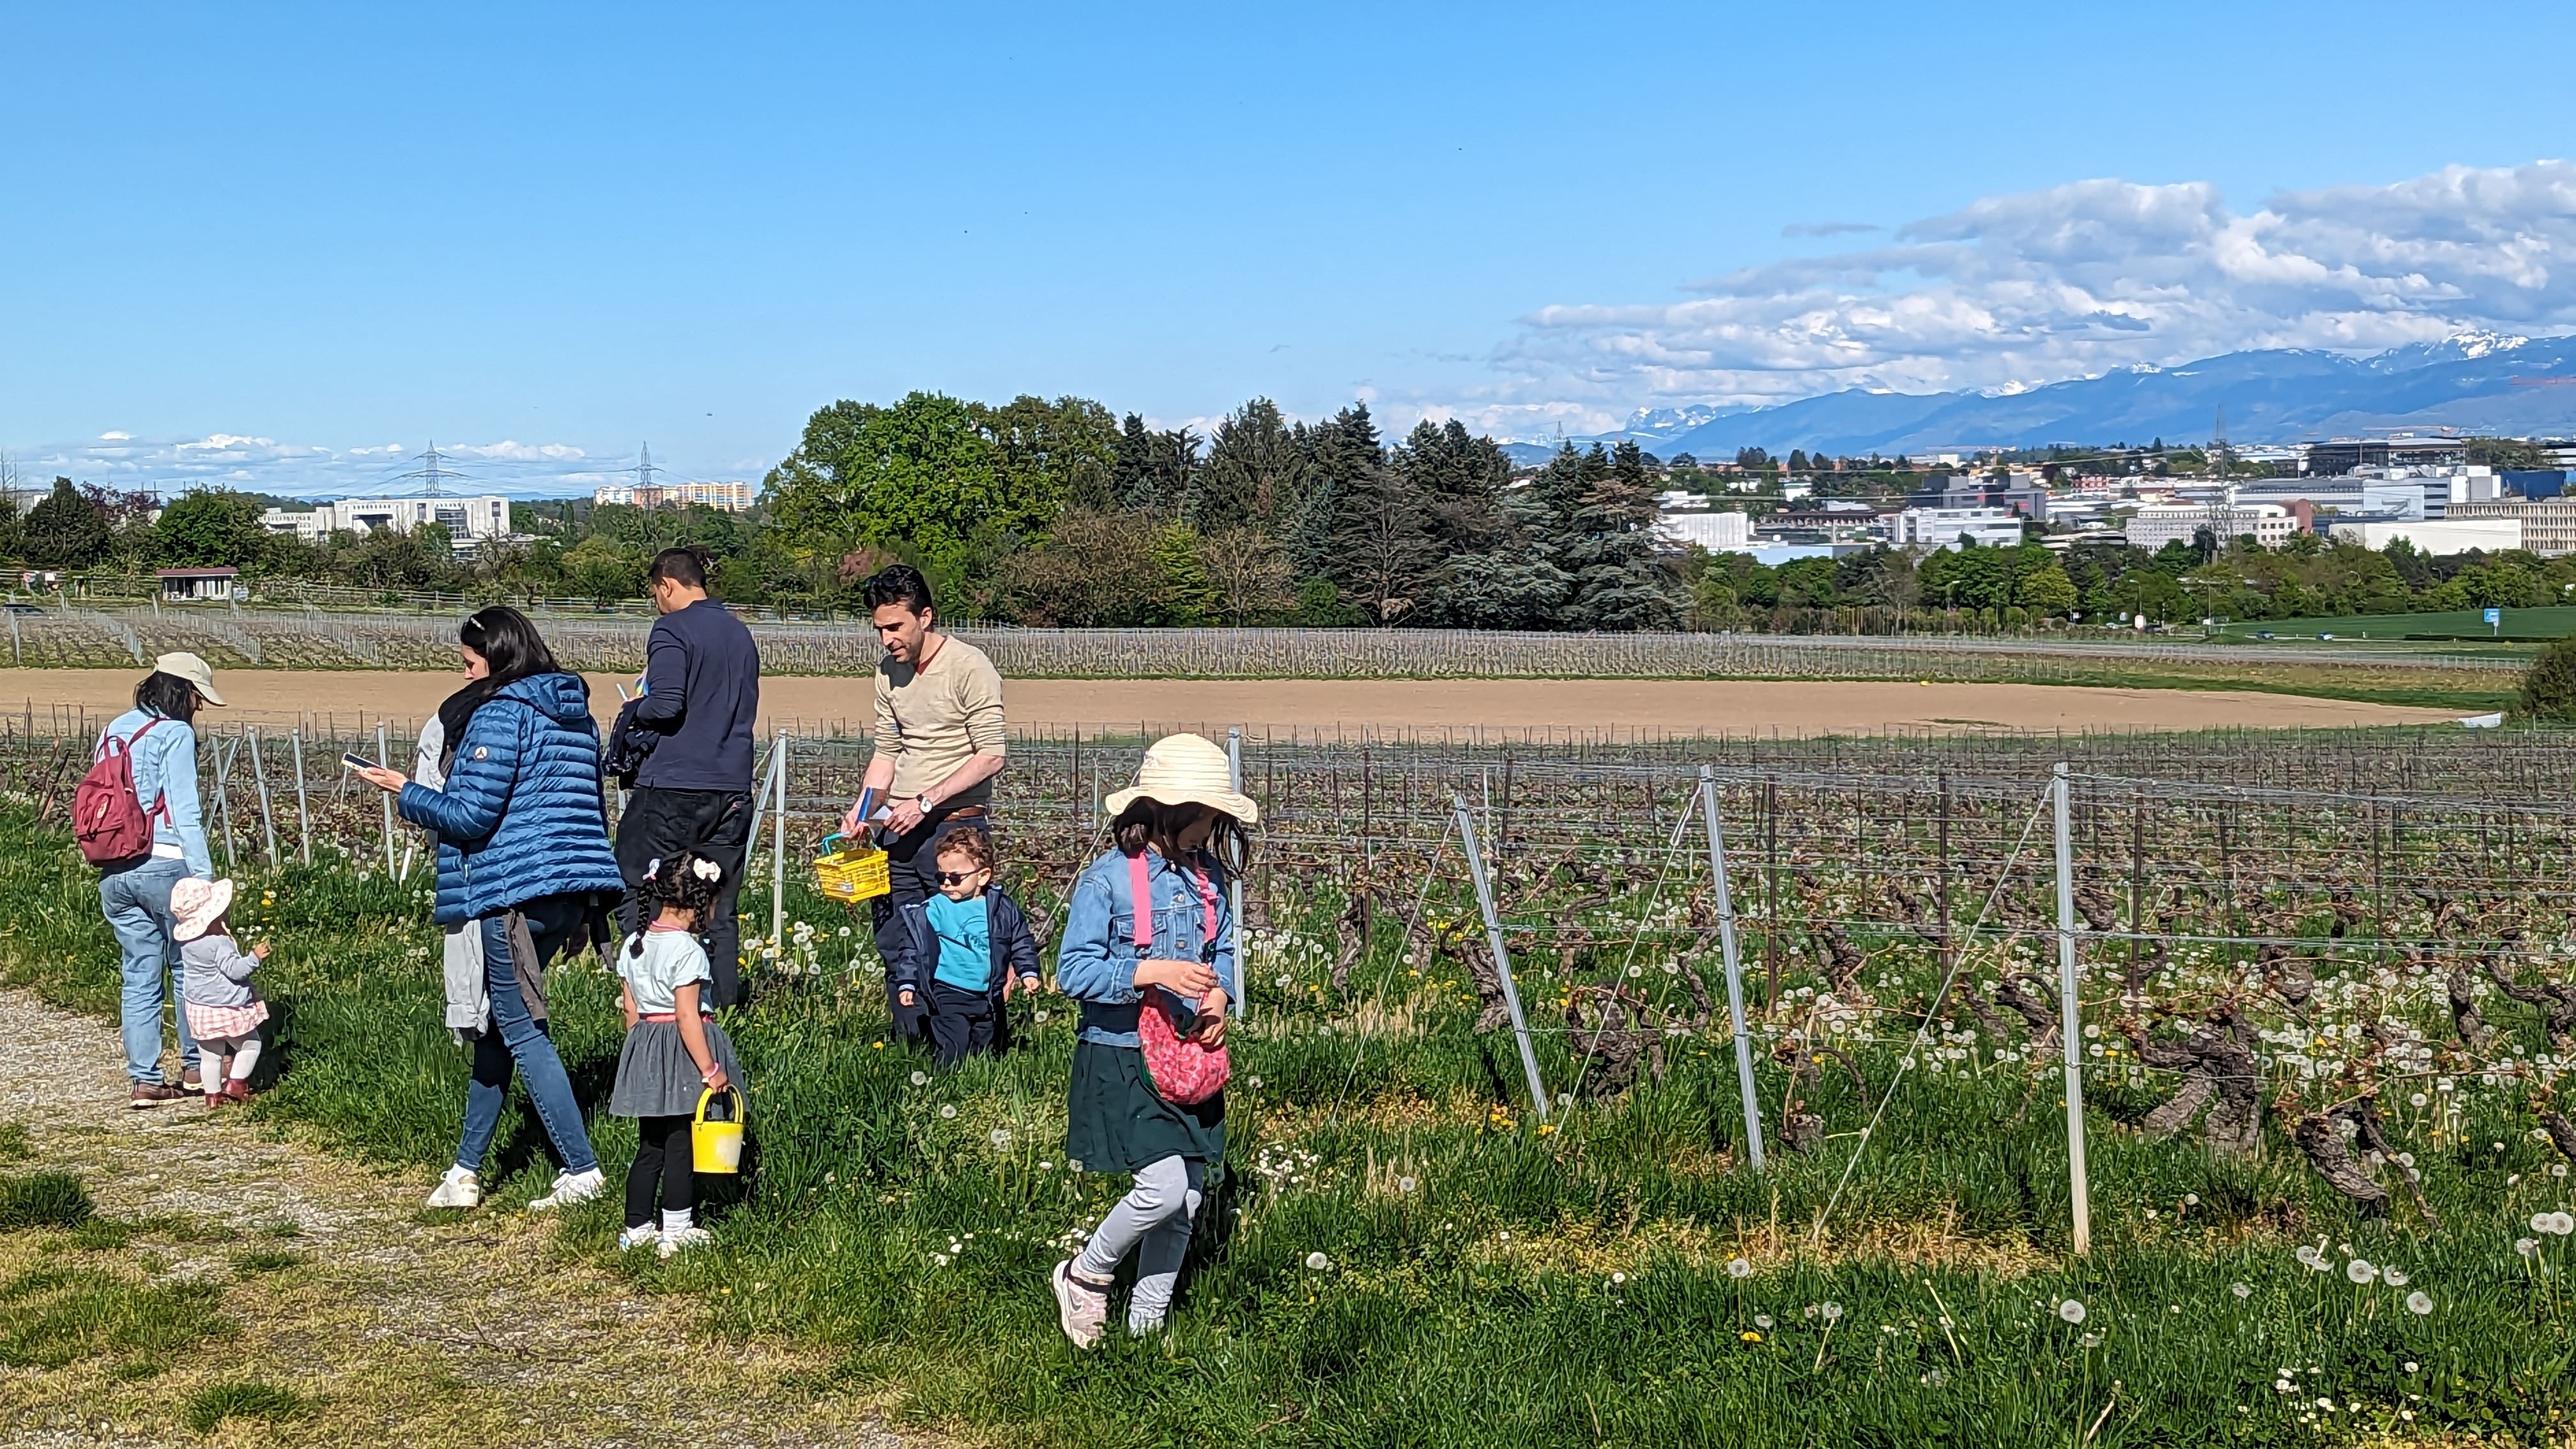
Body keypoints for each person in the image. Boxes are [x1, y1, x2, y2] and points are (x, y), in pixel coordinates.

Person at [353, 607, 626, 1213]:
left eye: (471, 661)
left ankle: (582, 1169)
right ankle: (465, 1170)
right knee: (497, 1031)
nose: (466, 672)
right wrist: (587, 909)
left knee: (522, 1030)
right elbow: (589, 810)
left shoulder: (500, 714)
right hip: (567, 892)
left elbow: (470, 815)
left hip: (511, 893)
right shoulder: (576, 717)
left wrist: (405, 791)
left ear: (497, 657)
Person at [1048, 733, 1252, 1346]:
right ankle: (1087, 1274)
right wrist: (1152, 971)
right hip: (1122, 1057)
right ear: (1170, 809)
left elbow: (1223, 951)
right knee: (1162, 1190)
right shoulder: (1108, 881)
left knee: (1187, 1199)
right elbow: (1073, 972)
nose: (1212, 828)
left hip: (1186, 1058)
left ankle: (1146, 1331)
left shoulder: (1208, 877)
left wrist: (1219, 998)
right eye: (1207, 814)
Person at [838, 565, 1006, 1043]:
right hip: (900, 826)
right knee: (899, 939)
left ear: (925, 617)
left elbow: (992, 755)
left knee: (961, 941)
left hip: (955, 826)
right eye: (880, 629)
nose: (887, 640)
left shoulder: (970, 667)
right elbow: (886, 754)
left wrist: (927, 801)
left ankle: (971, 1050)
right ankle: (910, 1045)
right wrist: (864, 811)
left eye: (896, 627)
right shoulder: (887, 672)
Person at [613, 546, 760, 1008]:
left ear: (667, 585)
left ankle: (650, 997)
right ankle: (722, 1009)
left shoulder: (672, 628)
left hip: (675, 784)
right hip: (732, 785)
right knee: (717, 903)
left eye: (655, 593)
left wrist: (633, 709)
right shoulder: (740, 633)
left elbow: (666, 704)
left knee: (637, 885)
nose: (656, 603)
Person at [94, 652, 223, 1108]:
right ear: (182, 691)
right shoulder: (176, 733)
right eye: (198, 695)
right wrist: (204, 877)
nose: (200, 706)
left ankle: (144, 1080)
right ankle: (196, 1067)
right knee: (188, 967)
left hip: (115, 869)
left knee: (138, 974)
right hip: (166, 864)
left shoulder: (114, 729)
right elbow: (185, 810)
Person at [609, 848, 747, 1257]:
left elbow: (631, 1010)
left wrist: (641, 1057)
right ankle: (676, 1228)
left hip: (646, 1045)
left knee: (650, 1145)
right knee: (681, 1143)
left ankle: (636, 1227)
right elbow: (687, 1016)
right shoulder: (688, 951)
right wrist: (711, 1069)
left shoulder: (634, 943)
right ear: (702, 903)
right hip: (683, 1053)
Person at [886, 829, 1041, 1068]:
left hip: (987, 993)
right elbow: (913, 949)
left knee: (985, 1045)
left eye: (955, 878)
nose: (947, 883)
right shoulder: (935, 908)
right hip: (948, 990)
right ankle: (944, 1080)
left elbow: (1020, 941)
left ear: (983, 876)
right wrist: (908, 982)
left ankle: (979, 1079)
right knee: (953, 1043)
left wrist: (1028, 971)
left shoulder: (1001, 909)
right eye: (941, 877)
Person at [171, 876, 268, 1110]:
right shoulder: (219, 943)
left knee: (210, 1055)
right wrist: (254, 958)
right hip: (227, 1006)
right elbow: (235, 971)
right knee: (250, 1045)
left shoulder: (187, 944)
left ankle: (212, 1096)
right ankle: (236, 1084)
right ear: (214, 916)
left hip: (199, 1008)